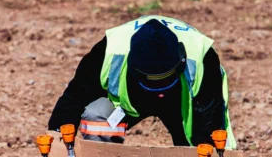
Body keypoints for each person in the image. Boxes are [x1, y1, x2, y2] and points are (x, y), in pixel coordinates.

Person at [47, 15, 236, 149]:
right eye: (152, 82)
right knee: (97, 113)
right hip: (129, 101)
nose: (158, 91)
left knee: (200, 151)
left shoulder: (202, 58)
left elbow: (211, 122)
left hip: (179, 103)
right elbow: (72, 102)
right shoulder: (108, 52)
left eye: (164, 80)